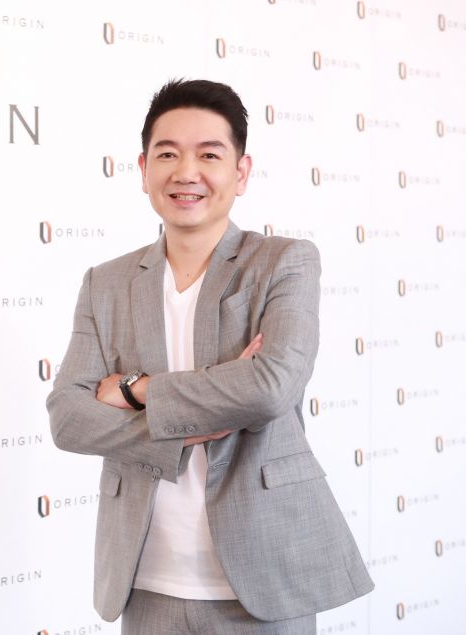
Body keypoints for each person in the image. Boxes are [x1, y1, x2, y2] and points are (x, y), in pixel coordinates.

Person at [46, 79, 373, 634]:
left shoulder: (283, 263)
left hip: (264, 577)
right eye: (167, 154)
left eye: (209, 155)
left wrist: (134, 389)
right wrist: (195, 423)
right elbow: (68, 418)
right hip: (146, 578)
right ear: (143, 169)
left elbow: (269, 387)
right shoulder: (106, 282)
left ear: (241, 173)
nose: (186, 172)